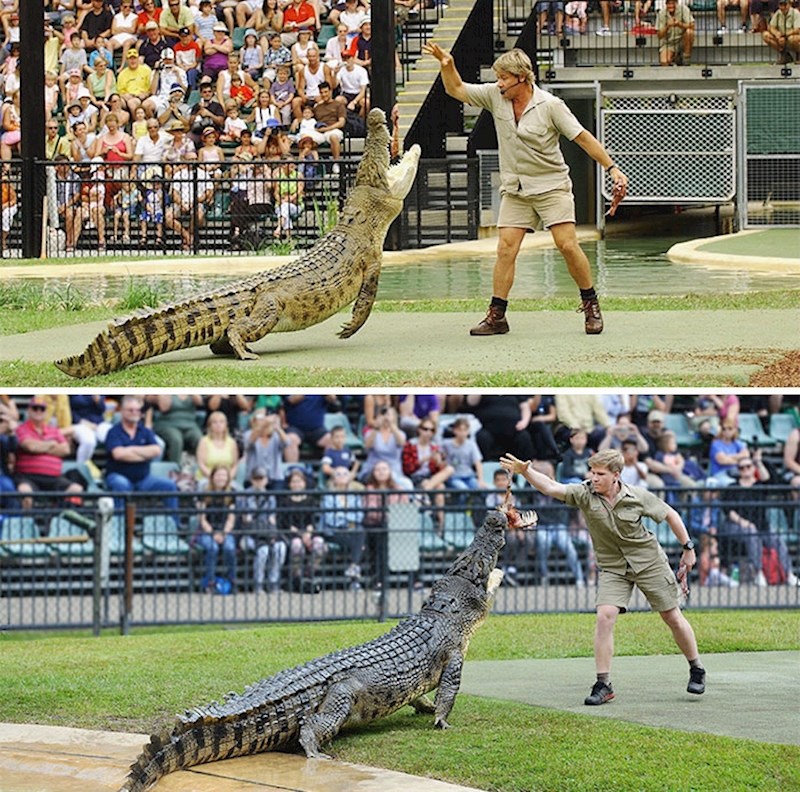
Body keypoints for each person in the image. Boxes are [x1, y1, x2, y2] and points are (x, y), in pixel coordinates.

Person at [423, 43, 628, 337]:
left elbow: (583, 138)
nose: (499, 83)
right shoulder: (495, 96)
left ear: (521, 77)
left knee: (567, 245)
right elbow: (456, 89)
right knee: (505, 248)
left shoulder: (551, 106)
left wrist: (612, 169)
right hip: (516, 189)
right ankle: (497, 317)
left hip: (551, 185)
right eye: (498, 77)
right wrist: (447, 64)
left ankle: (590, 303)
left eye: (504, 78)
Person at [500, 448, 706, 704]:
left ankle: (696, 668)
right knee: (604, 616)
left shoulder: (637, 496)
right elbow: (551, 487)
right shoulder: (584, 494)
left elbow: (671, 515)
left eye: (600, 474)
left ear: (616, 475)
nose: (594, 478)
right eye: (592, 472)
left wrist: (688, 548)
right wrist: (526, 471)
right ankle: (603, 684)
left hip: (648, 561)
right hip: (613, 566)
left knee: (672, 616)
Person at [103, 395, 180, 524]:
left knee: (170, 486)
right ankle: (119, 528)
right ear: (122, 411)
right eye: (130, 410)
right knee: (120, 485)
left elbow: (156, 450)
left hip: (143, 479)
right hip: (118, 476)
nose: (134, 413)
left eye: (137, 410)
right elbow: (118, 454)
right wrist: (144, 453)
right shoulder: (114, 432)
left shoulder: (145, 431)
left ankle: (174, 526)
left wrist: (130, 450)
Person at [723, 454, 798, 586]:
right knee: (752, 536)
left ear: (753, 468)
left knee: (778, 540)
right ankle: (758, 573)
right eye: (742, 468)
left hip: (761, 526)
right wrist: (743, 522)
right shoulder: (732, 487)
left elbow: (768, 479)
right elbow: (729, 511)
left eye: (748, 466)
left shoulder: (760, 485)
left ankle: (789, 574)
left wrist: (758, 463)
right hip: (736, 525)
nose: (745, 470)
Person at [14, 395, 84, 508]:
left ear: (46, 412)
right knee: (24, 491)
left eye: (42, 409)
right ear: (29, 410)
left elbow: (65, 449)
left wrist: (39, 447)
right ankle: (27, 518)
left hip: (54, 477)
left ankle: (60, 517)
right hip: (27, 476)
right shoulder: (21, 428)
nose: (38, 411)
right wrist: (51, 444)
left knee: (76, 489)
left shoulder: (54, 430)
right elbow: (30, 446)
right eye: (35, 408)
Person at [238, 466, 285, 592]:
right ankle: (258, 584)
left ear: (267, 480)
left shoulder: (270, 497)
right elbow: (244, 520)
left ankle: (273, 582)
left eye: (261, 478)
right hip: (249, 535)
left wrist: (272, 534)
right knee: (263, 551)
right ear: (251, 480)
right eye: (256, 478)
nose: (258, 482)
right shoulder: (244, 496)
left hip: (266, 533)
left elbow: (272, 519)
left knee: (280, 548)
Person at [278, 467, 325, 591]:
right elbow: (284, 522)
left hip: (309, 532)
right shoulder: (284, 501)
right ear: (289, 484)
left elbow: (313, 519)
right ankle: (297, 576)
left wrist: (308, 533)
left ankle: (309, 573)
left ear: (304, 483)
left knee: (319, 544)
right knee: (297, 546)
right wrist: (300, 534)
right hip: (292, 532)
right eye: (294, 482)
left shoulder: (311, 500)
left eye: (299, 481)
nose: (296, 484)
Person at [319, 466, 366, 589]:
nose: (342, 476)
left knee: (360, 532)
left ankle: (353, 567)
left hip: (351, 531)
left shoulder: (354, 496)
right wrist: (348, 519)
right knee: (359, 542)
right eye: (338, 474)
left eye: (345, 474)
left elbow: (359, 516)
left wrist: (341, 515)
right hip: (333, 531)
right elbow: (330, 519)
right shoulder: (328, 496)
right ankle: (354, 575)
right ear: (333, 478)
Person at [195, 465, 238, 593]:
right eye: (218, 475)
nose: (221, 478)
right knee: (212, 547)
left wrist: (223, 533)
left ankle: (232, 580)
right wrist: (213, 533)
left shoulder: (232, 494)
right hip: (207, 531)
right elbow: (202, 519)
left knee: (229, 547)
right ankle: (210, 582)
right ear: (212, 477)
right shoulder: (205, 493)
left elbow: (231, 518)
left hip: (225, 530)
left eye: (224, 475)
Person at [195, 410, 239, 484]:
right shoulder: (204, 441)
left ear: (226, 425)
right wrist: (214, 478)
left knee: (237, 487)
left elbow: (235, 465)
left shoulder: (232, 442)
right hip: (207, 478)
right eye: (215, 422)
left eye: (221, 422)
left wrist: (227, 479)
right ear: (210, 426)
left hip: (226, 479)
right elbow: (201, 464)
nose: (218, 425)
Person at [68, 394, 112, 464]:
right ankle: (81, 467)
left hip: (98, 423)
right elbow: (67, 409)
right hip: (79, 423)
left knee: (113, 435)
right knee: (89, 441)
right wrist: (79, 421)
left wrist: (98, 400)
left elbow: (102, 409)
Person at [656, 0, 694, 66]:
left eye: (673, 3)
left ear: (676, 3)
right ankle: (675, 58)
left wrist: (679, 24)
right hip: (669, 43)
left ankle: (686, 58)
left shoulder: (684, 9)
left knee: (689, 32)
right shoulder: (661, 13)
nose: (671, 6)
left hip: (682, 40)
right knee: (664, 62)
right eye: (669, 4)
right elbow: (659, 35)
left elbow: (692, 26)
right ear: (666, 4)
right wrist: (667, 26)